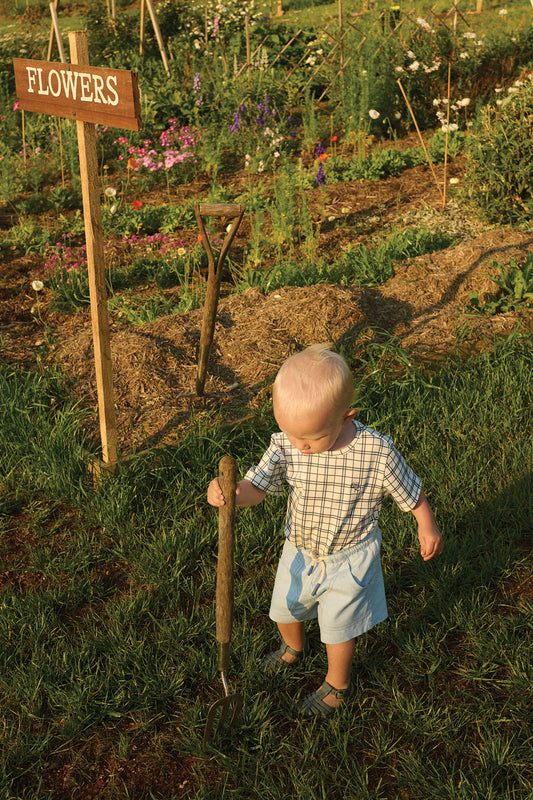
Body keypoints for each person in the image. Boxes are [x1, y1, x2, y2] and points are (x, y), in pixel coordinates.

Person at [207, 343, 443, 718]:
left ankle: (338, 682)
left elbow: (410, 491)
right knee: (285, 608)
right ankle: (293, 648)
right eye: (290, 433)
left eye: (311, 439)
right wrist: (233, 493)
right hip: (300, 549)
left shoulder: (375, 451)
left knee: (338, 628)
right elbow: (259, 487)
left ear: (346, 417)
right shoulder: (287, 444)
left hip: (350, 557)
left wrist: (425, 524)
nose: (300, 446)